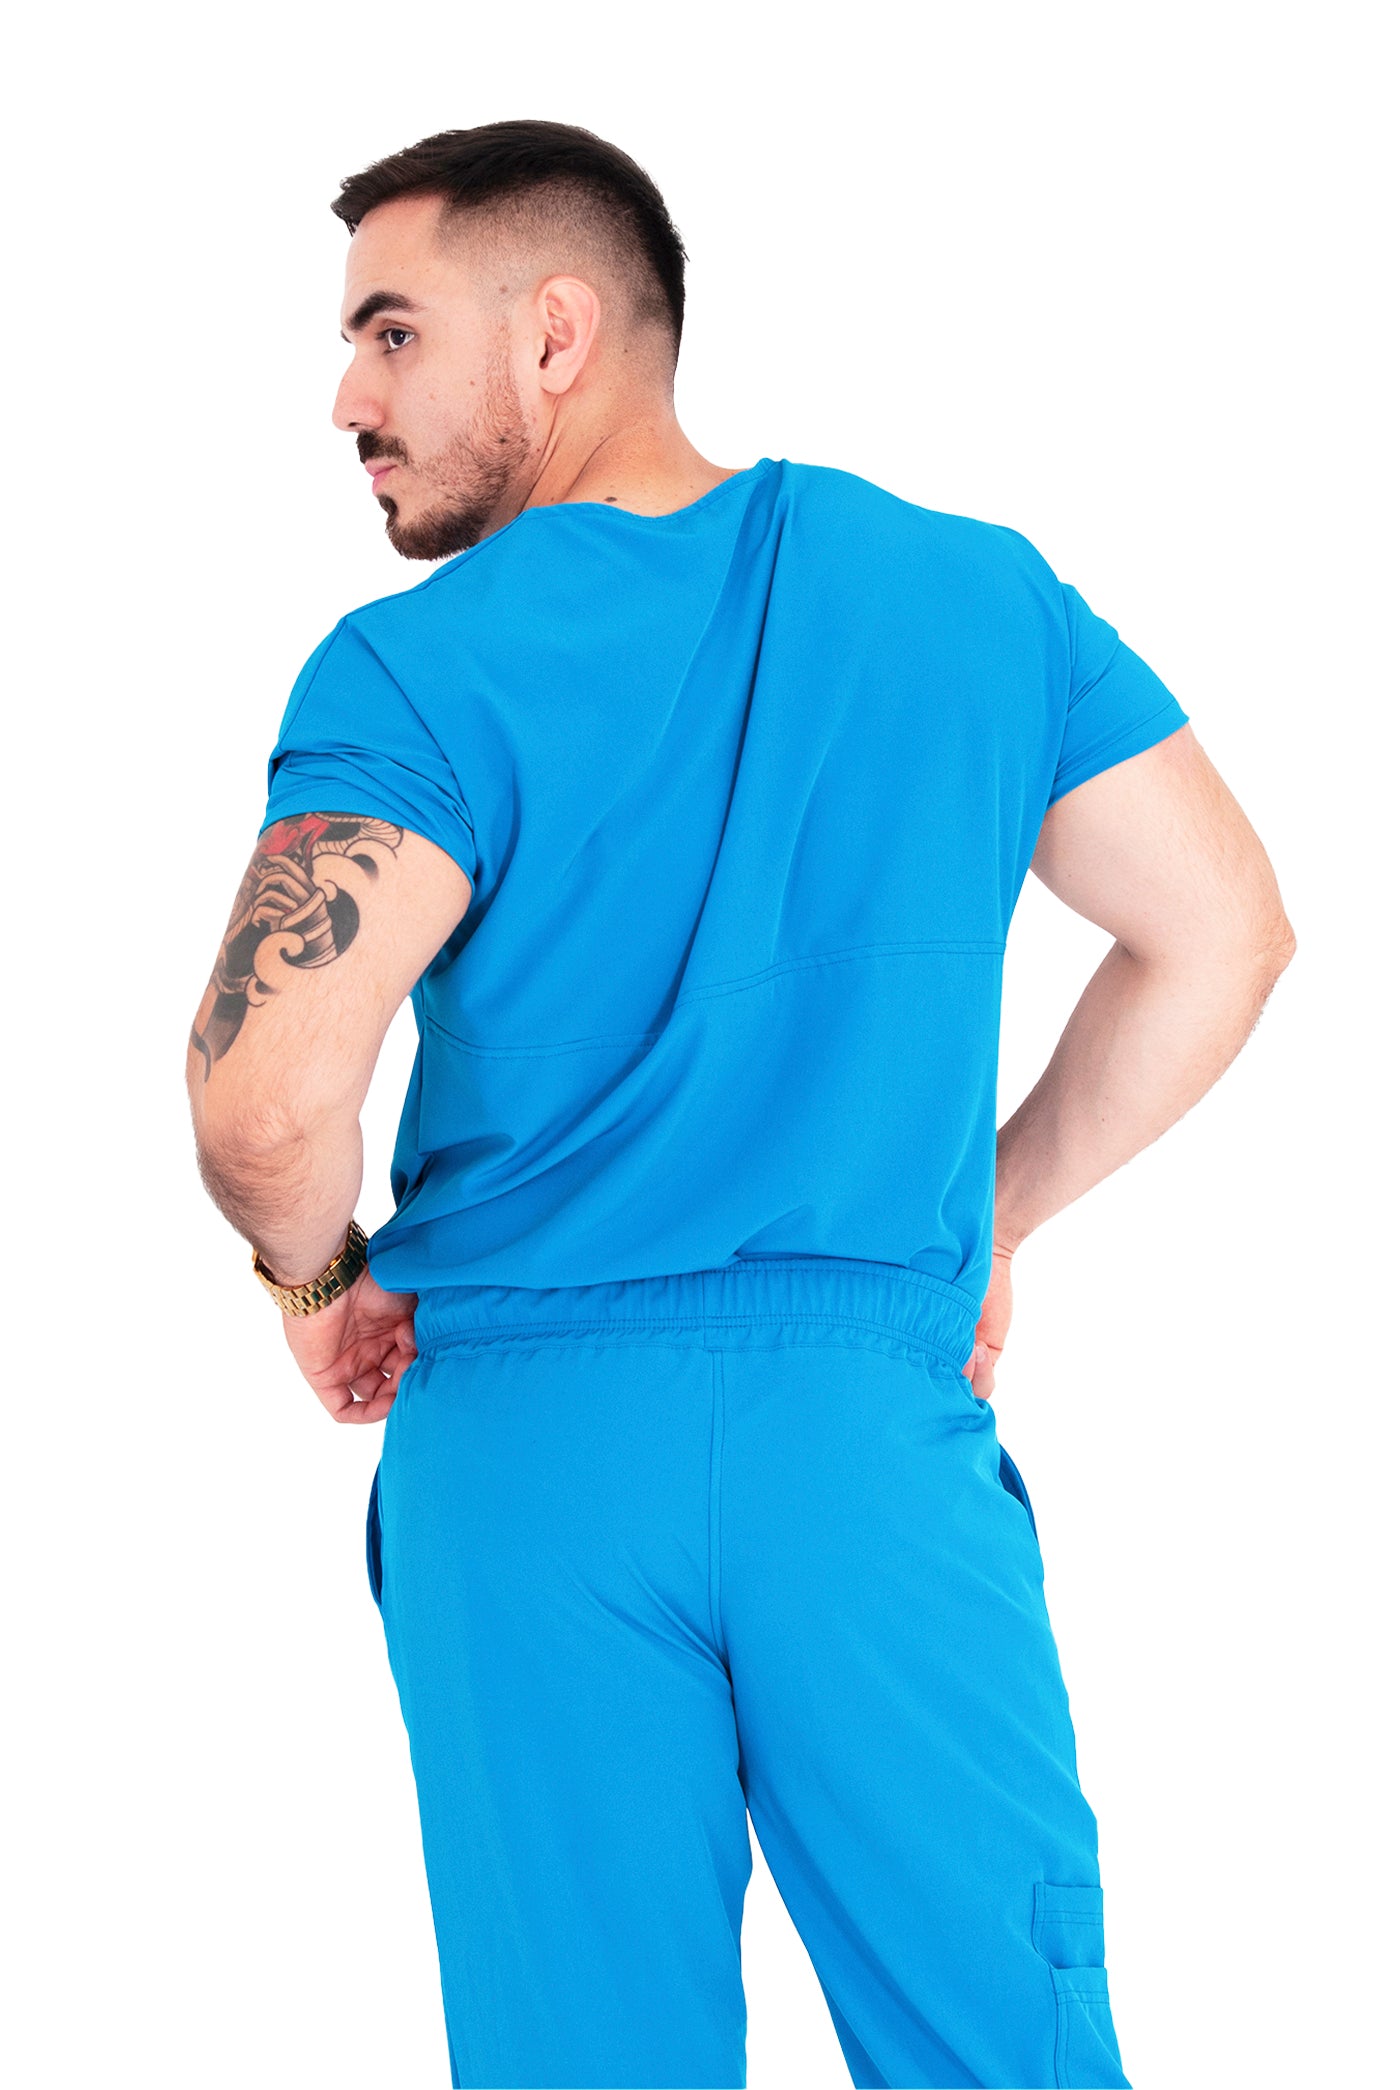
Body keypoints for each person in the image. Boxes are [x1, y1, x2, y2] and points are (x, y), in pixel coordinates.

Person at [185, 118, 1295, 2090]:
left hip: (525, 1454)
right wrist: (994, 1213)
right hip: (865, 1441)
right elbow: (1221, 933)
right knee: (1007, 2047)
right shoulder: (976, 600)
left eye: (389, 331)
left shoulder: (415, 673)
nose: (346, 397)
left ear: (556, 332)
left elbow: (263, 1101)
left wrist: (316, 1281)